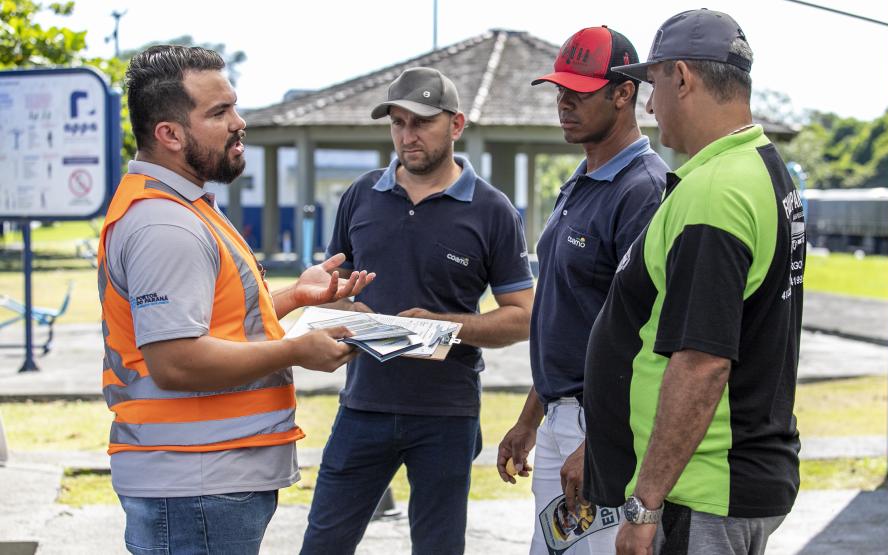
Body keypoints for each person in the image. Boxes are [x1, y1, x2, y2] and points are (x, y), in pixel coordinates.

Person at [98, 44, 374, 554]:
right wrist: (298, 349)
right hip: (194, 483)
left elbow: (211, 321)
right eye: (219, 112)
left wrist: (293, 297)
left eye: (234, 106)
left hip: (204, 481)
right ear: (170, 134)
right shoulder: (165, 223)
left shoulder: (185, 207)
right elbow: (177, 361)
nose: (238, 122)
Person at [582, 9, 805, 555]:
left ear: (681, 77)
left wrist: (645, 504)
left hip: (701, 490)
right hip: (730, 476)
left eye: (653, 85)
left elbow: (702, 361)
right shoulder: (763, 166)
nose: (651, 106)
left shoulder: (715, 192)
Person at [300, 66, 535, 554]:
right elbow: (332, 284)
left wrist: (447, 326)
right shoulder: (361, 195)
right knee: (323, 545)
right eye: (398, 122)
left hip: (446, 414)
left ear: (456, 125)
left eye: (422, 122)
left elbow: (523, 314)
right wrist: (344, 302)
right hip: (363, 406)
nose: (408, 136)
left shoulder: (493, 211)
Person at [496, 26, 667, 554]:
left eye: (579, 91)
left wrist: (602, 444)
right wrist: (531, 418)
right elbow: (565, 317)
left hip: (603, 425)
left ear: (624, 93)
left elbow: (643, 334)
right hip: (561, 416)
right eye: (558, 89)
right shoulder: (582, 178)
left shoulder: (642, 189)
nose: (563, 102)